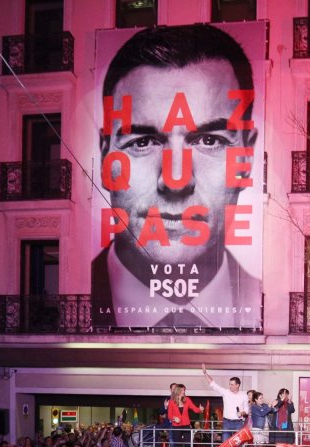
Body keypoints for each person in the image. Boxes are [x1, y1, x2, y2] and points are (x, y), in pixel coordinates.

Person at [91, 23, 262, 329]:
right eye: (142, 142)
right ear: (106, 157)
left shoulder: (263, 302)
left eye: (209, 140)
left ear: (246, 157)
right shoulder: (78, 299)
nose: (176, 180)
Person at [204, 366, 250, 441]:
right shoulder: (226, 392)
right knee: (225, 442)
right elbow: (213, 385)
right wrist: (205, 373)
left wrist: (241, 413)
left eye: (232, 384)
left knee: (238, 443)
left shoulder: (244, 395)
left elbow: (247, 410)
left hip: (238, 422)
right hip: (227, 422)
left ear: (237, 385)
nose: (230, 386)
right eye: (229, 384)